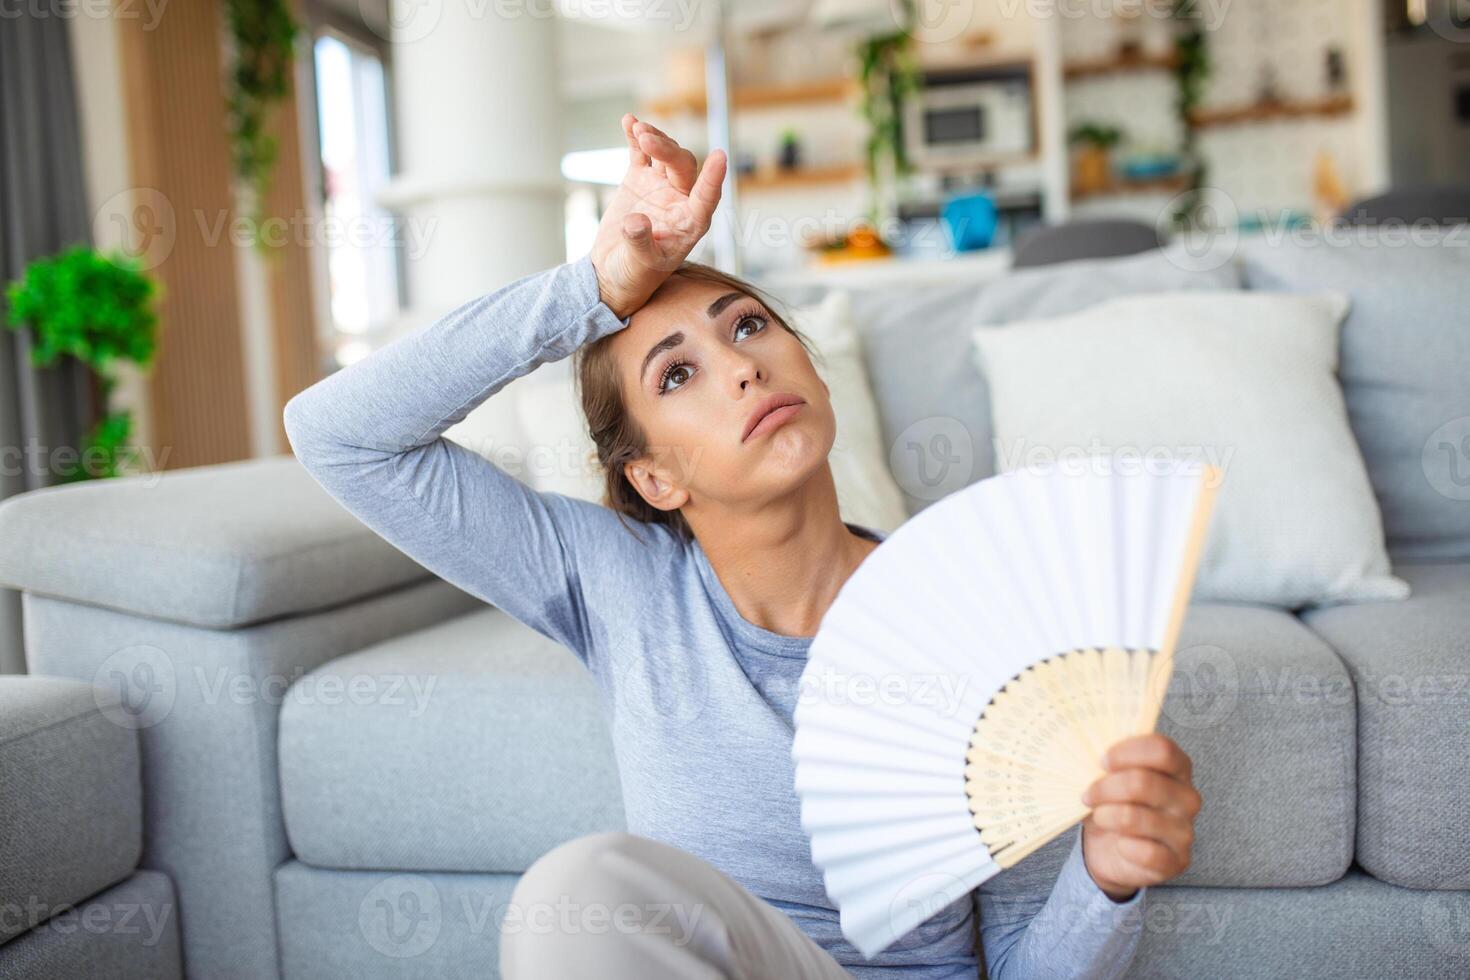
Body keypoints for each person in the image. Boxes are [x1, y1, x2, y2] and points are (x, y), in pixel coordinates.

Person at [283, 114, 1202, 979]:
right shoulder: (618, 587)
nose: (740, 366)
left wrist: (1105, 879)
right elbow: (340, 435)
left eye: (749, 326)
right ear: (654, 479)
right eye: (678, 373)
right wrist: (592, 288)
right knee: (583, 893)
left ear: (809, 364)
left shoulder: (969, 619)